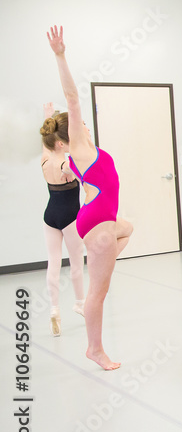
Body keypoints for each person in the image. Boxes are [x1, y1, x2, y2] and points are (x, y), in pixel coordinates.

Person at [46, 26, 133, 370]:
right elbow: (72, 98)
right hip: (96, 222)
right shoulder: (79, 148)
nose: (84, 124)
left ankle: (103, 263)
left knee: (129, 228)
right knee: (98, 293)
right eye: (77, 124)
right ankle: (94, 349)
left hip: (100, 220)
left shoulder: (80, 152)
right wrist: (60, 55)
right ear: (72, 132)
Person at [38, 101, 86, 335]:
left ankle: (54, 310)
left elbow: (46, 139)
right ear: (60, 143)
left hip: (50, 216)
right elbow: (80, 157)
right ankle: (79, 303)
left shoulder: (46, 157)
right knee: (76, 263)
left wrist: (48, 115)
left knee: (53, 264)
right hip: (70, 218)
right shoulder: (67, 164)